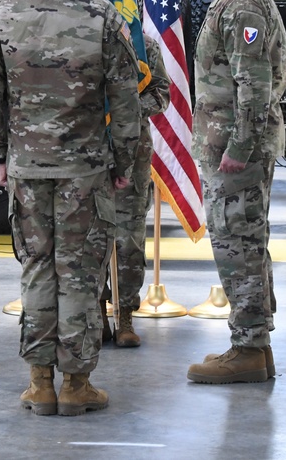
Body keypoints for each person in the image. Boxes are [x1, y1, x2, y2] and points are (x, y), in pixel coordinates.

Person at [0, 0, 141, 416]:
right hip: (85, 170)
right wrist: (124, 160)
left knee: (37, 269)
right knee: (80, 274)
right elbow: (126, 99)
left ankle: (39, 382)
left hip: (26, 168)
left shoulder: (1, 14)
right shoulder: (103, 15)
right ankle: (77, 385)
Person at [184, 0, 286, 384]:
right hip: (232, 144)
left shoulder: (242, 2)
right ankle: (256, 347)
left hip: (235, 149)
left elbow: (253, 83)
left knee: (236, 243)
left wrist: (239, 146)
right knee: (246, 240)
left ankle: (246, 348)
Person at [107, 36, 169, 348]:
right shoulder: (84, 33)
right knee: (85, 234)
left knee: (129, 234)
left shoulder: (142, 44)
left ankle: (125, 313)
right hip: (86, 148)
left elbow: (161, 93)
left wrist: (123, 109)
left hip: (133, 149)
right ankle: (93, 311)